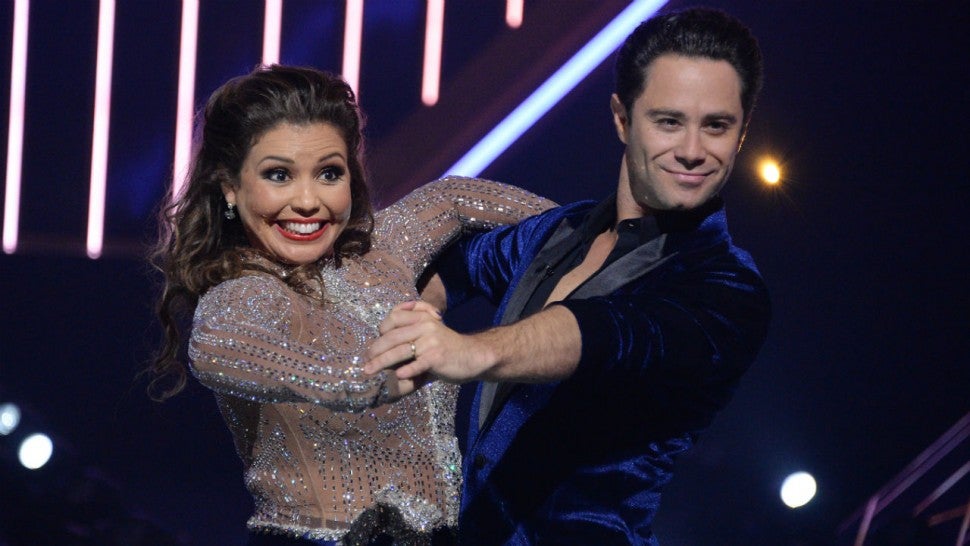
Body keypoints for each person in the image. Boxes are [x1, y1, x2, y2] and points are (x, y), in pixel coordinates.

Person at [363, 8, 771, 545]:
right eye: (669, 121)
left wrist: (471, 352)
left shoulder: (730, 289)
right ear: (622, 118)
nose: (693, 151)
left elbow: (610, 333)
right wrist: (405, 318)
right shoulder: (560, 230)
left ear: (741, 133)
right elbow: (462, 265)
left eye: (716, 125)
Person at [146, 65, 553, 545]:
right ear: (229, 186)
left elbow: (454, 197)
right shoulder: (245, 294)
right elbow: (216, 348)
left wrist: (606, 241)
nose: (307, 201)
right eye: (279, 175)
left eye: (328, 173)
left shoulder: (384, 249)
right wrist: (392, 370)